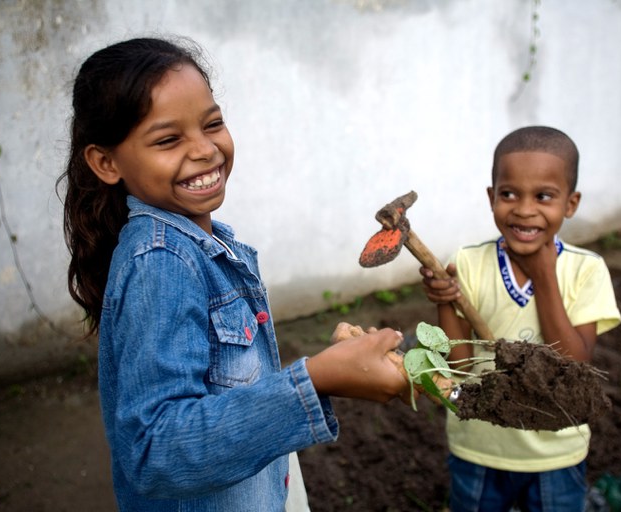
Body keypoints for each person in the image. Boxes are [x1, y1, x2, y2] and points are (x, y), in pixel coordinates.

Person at [57, 36, 409, 512]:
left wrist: (328, 369)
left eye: (212, 124)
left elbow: (229, 393)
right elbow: (155, 450)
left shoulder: (206, 244)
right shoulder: (161, 262)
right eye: (168, 140)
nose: (205, 149)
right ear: (106, 162)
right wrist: (317, 379)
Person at [420, 126, 621, 512]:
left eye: (543, 196)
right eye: (509, 194)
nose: (524, 209)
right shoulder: (468, 262)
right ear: (491, 197)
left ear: (571, 203)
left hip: (556, 452)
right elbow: (458, 366)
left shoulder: (586, 270)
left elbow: (574, 364)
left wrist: (545, 277)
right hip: (479, 445)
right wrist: (444, 302)